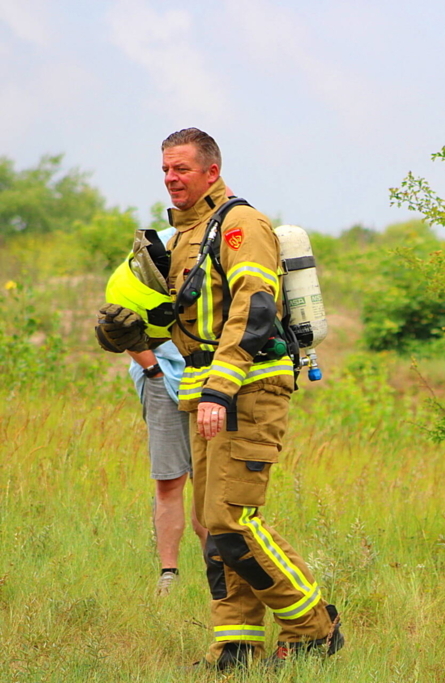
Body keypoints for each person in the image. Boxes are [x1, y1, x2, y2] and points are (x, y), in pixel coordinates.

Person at [98, 127, 342, 670]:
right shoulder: (185, 237)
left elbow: (254, 307)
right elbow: (183, 327)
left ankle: (314, 629)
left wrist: (221, 387)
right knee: (214, 525)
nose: (171, 178)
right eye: (165, 169)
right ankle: (235, 645)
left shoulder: (239, 224)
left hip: (248, 389)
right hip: (206, 392)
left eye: (181, 168)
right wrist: (127, 335)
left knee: (233, 520)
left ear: (212, 170)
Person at [99, 238, 208, 595]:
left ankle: (217, 568)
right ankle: (169, 574)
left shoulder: (202, 259)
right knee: (169, 479)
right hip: (159, 370)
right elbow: (120, 331)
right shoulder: (123, 282)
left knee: (209, 480)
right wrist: (155, 374)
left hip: (210, 370)